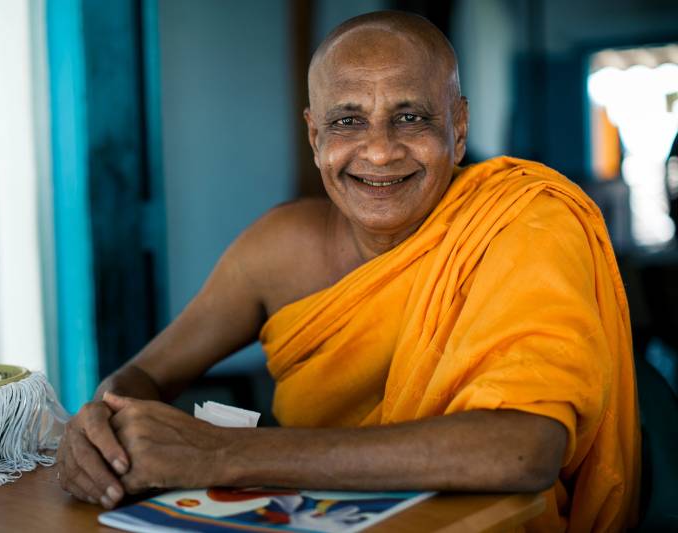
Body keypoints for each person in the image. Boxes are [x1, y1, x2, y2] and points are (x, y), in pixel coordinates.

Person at [56, 11, 640, 532]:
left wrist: (224, 455)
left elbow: (523, 448)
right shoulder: (278, 248)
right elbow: (138, 379)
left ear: (457, 129)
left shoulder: (524, 223)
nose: (380, 151)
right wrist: (100, 428)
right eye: (347, 122)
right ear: (315, 137)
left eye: (410, 117)